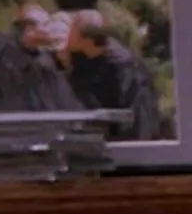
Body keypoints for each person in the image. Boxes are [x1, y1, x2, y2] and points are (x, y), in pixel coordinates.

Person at [0, 2, 84, 112]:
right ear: (28, 28)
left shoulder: (49, 60)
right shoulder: (1, 51)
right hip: (4, 122)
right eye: (44, 24)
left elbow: (64, 99)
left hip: (42, 123)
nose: (49, 30)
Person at [62, 9, 162, 141]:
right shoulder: (81, 60)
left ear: (87, 40)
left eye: (70, 31)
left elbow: (138, 116)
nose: (65, 35)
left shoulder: (125, 67)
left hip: (125, 141)